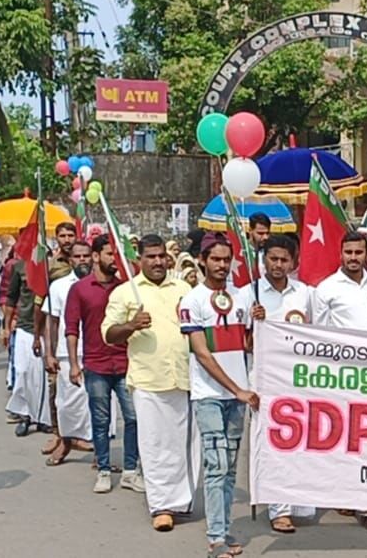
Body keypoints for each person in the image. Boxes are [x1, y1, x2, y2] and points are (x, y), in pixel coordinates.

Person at [102, 234, 195, 532]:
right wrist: (131, 325)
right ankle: (161, 506)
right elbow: (108, 334)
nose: (157, 262)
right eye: (151, 257)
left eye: (161, 256)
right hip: (147, 380)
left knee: (181, 444)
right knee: (154, 444)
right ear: (139, 259)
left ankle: (181, 501)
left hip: (183, 376)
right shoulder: (126, 292)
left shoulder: (184, 288)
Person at [180, 234, 260, 558]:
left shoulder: (242, 297)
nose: (222, 265)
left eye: (227, 259)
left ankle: (224, 528)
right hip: (209, 395)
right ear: (202, 260)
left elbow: (248, 346)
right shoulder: (192, 301)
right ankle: (215, 538)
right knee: (216, 465)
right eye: (215, 259)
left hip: (237, 398)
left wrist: (259, 323)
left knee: (229, 468)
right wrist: (235, 388)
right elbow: (202, 354)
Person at [312, 231, 367, 533]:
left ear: (366, 253)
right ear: (341, 254)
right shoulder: (327, 289)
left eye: (359, 252)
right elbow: (319, 336)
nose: (354, 258)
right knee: (346, 439)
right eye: (349, 252)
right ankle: (346, 493)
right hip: (344, 377)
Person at [238, 234, 316, 532]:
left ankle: (298, 502)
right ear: (263, 260)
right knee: (271, 441)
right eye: (273, 259)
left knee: (299, 440)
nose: (278, 265)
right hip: (265, 377)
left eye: (284, 260)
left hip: (300, 377)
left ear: (294, 262)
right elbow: (241, 342)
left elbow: (319, 334)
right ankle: (278, 509)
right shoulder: (250, 293)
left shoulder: (305, 293)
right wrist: (253, 322)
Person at [66, 235, 142, 494]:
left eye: (116, 254)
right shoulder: (80, 289)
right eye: (110, 253)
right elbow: (72, 328)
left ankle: (130, 470)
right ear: (96, 256)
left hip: (125, 362)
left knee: (133, 417)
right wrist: (73, 364)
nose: (114, 258)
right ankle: (104, 470)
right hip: (96, 364)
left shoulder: (126, 288)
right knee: (101, 420)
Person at [41, 241, 95, 466]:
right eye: (78, 256)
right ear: (70, 260)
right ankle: (66, 441)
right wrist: (49, 353)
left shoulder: (103, 283)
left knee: (99, 404)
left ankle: (100, 452)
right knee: (66, 404)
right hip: (67, 353)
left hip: (98, 352)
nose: (82, 260)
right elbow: (51, 322)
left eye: (86, 255)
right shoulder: (59, 286)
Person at [4, 258, 52, 437]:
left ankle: (44, 419)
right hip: (25, 326)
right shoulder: (19, 267)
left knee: (43, 376)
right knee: (23, 371)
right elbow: (11, 297)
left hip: (48, 327)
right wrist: (6, 327)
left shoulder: (54, 266)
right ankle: (24, 414)